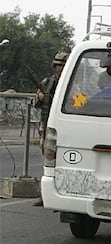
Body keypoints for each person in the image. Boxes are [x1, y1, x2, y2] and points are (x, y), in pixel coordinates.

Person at [33, 52, 69, 206]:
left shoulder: (72, 83)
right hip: (47, 126)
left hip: (66, 128)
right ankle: (46, 194)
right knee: (48, 162)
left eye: (62, 65)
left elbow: (79, 102)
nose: (59, 68)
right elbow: (36, 103)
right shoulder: (47, 82)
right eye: (58, 65)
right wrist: (40, 97)